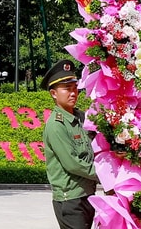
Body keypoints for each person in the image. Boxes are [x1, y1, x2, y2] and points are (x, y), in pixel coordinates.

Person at [42, 59, 97, 229]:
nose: (73, 93)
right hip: (70, 199)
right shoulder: (56, 125)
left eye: (75, 88)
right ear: (53, 93)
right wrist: (106, 176)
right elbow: (73, 164)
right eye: (67, 89)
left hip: (87, 194)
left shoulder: (82, 118)